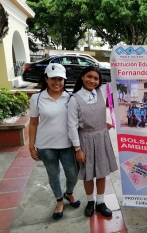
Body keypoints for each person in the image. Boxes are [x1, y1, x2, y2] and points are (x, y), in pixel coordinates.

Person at [29, 63, 80, 220]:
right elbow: (33, 123)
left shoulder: (71, 98)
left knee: (73, 174)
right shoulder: (36, 98)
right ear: (46, 79)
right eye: (53, 79)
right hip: (46, 146)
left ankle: (69, 193)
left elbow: (79, 121)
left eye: (60, 79)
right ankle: (59, 201)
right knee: (53, 176)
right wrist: (31, 147)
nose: (57, 82)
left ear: (64, 80)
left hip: (67, 145)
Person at [67, 66, 118, 218]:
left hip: (102, 137)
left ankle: (100, 202)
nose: (92, 81)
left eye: (96, 78)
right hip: (85, 140)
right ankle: (90, 202)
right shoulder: (74, 99)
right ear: (82, 77)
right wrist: (78, 149)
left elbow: (119, 81)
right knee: (89, 173)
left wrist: (104, 124)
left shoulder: (101, 92)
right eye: (89, 76)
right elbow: (72, 126)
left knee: (102, 172)